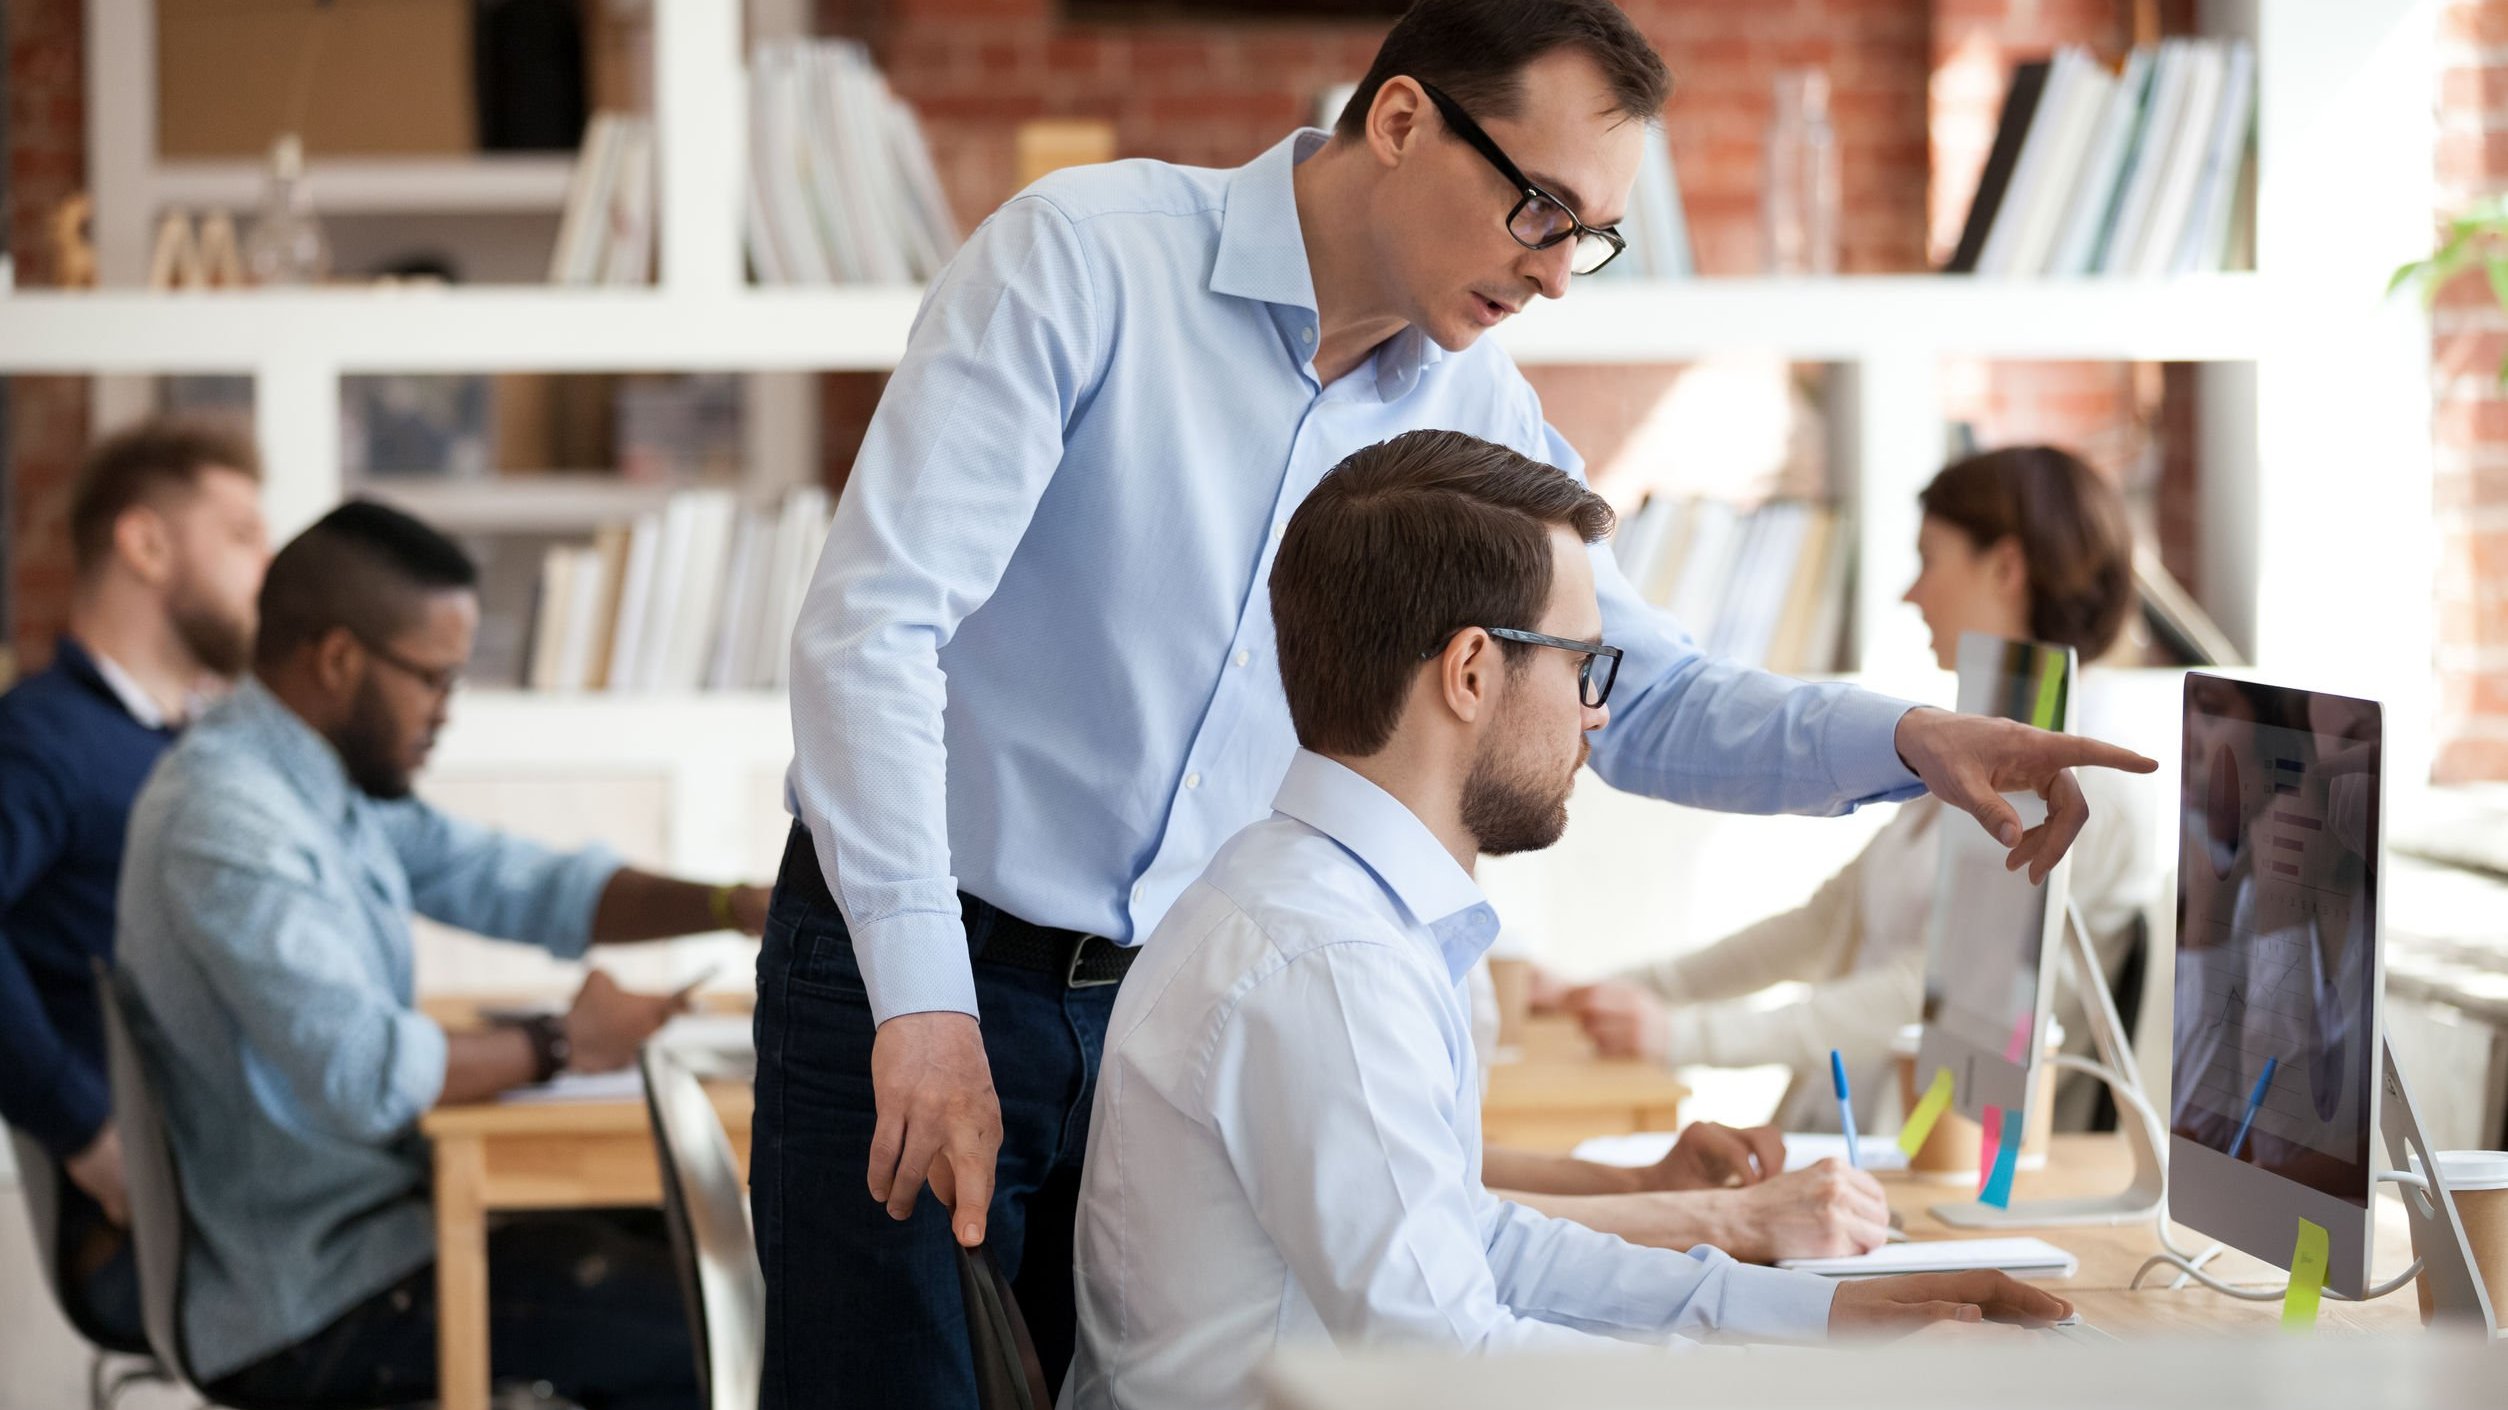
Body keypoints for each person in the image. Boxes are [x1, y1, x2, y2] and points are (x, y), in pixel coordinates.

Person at [760, 4, 2149, 1402]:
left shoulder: (1475, 408)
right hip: (923, 963)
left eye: (1589, 236)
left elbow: (1639, 691)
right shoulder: (1085, 257)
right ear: (1404, 120)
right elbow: (874, 625)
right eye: (1539, 209)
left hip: (1160, 1005)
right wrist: (925, 1003)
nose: (1556, 277)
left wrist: (1909, 739)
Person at [1066, 431, 2072, 1408]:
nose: (1596, 714)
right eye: (1583, 665)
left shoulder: (1318, 898)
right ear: (1470, 673)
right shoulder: (1330, 962)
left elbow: (1474, 1247)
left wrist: (1825, 1324)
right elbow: (1454, 1366)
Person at [115, 501, 771, 1409]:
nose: (446, 712)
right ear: (339, 659)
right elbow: (361, 1069)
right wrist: (566, 1044)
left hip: (375, 1238)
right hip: (319, 1296)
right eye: (435, 679)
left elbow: (515, 881)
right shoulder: (227, 817)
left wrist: (727, 905)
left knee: (705, 1267)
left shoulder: (321, 787)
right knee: (740, 1337)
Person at [1551, 446, 2159, 1131]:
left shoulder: (2087, 803)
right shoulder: (1958, 768)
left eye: (1929, 559)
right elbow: (1822, 925)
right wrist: (1626, 991)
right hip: (1842, 1128)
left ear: (2006, 568)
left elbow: (1933, 995)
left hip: (1930, 1159)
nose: (1910, 593)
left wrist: (1684, 1037)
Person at [0, 416, 268, 1347]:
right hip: (162, 1239)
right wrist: (85, 1133)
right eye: (241, 536)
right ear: (146, 543)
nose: (266, 571)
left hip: (247, 1204)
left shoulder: (192, 747)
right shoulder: (42, 742)